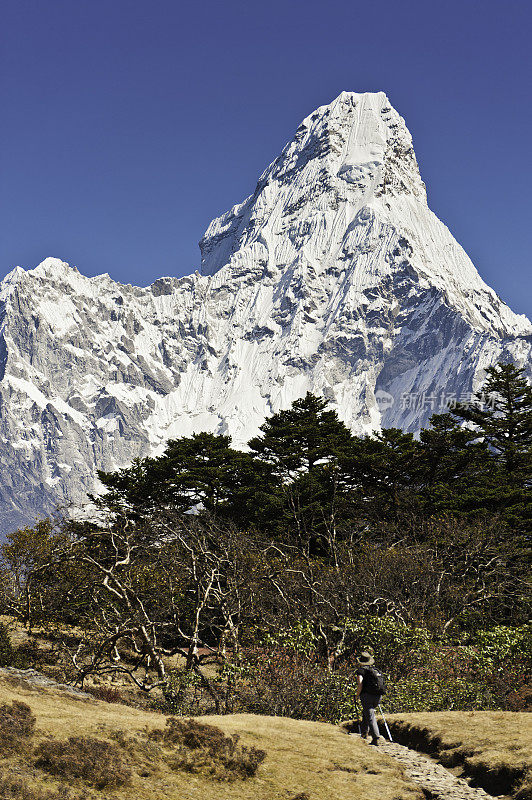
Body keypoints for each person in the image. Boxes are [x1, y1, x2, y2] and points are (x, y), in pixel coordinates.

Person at [355, 651, 383, 745]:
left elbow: (360, 683)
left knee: (370, 715)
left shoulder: (361, 670)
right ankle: (364, 733)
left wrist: (357, 695)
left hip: (367, 695)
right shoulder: (375, 670)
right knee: (366, 713)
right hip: (378, 696)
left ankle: (376, 737)